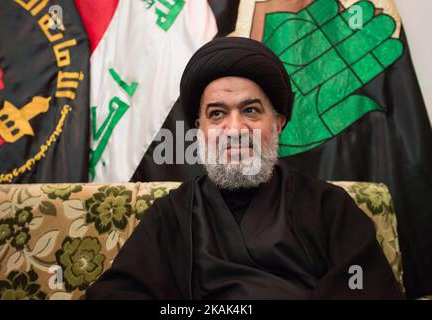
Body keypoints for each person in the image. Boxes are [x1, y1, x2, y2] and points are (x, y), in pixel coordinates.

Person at [86, 37, 402, 299]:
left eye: (250, 111)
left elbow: (368, 287)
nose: (234, 129)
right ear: (200, 130)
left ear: (278, 123)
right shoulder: (172, 215)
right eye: (217, 114)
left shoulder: (327, 206)